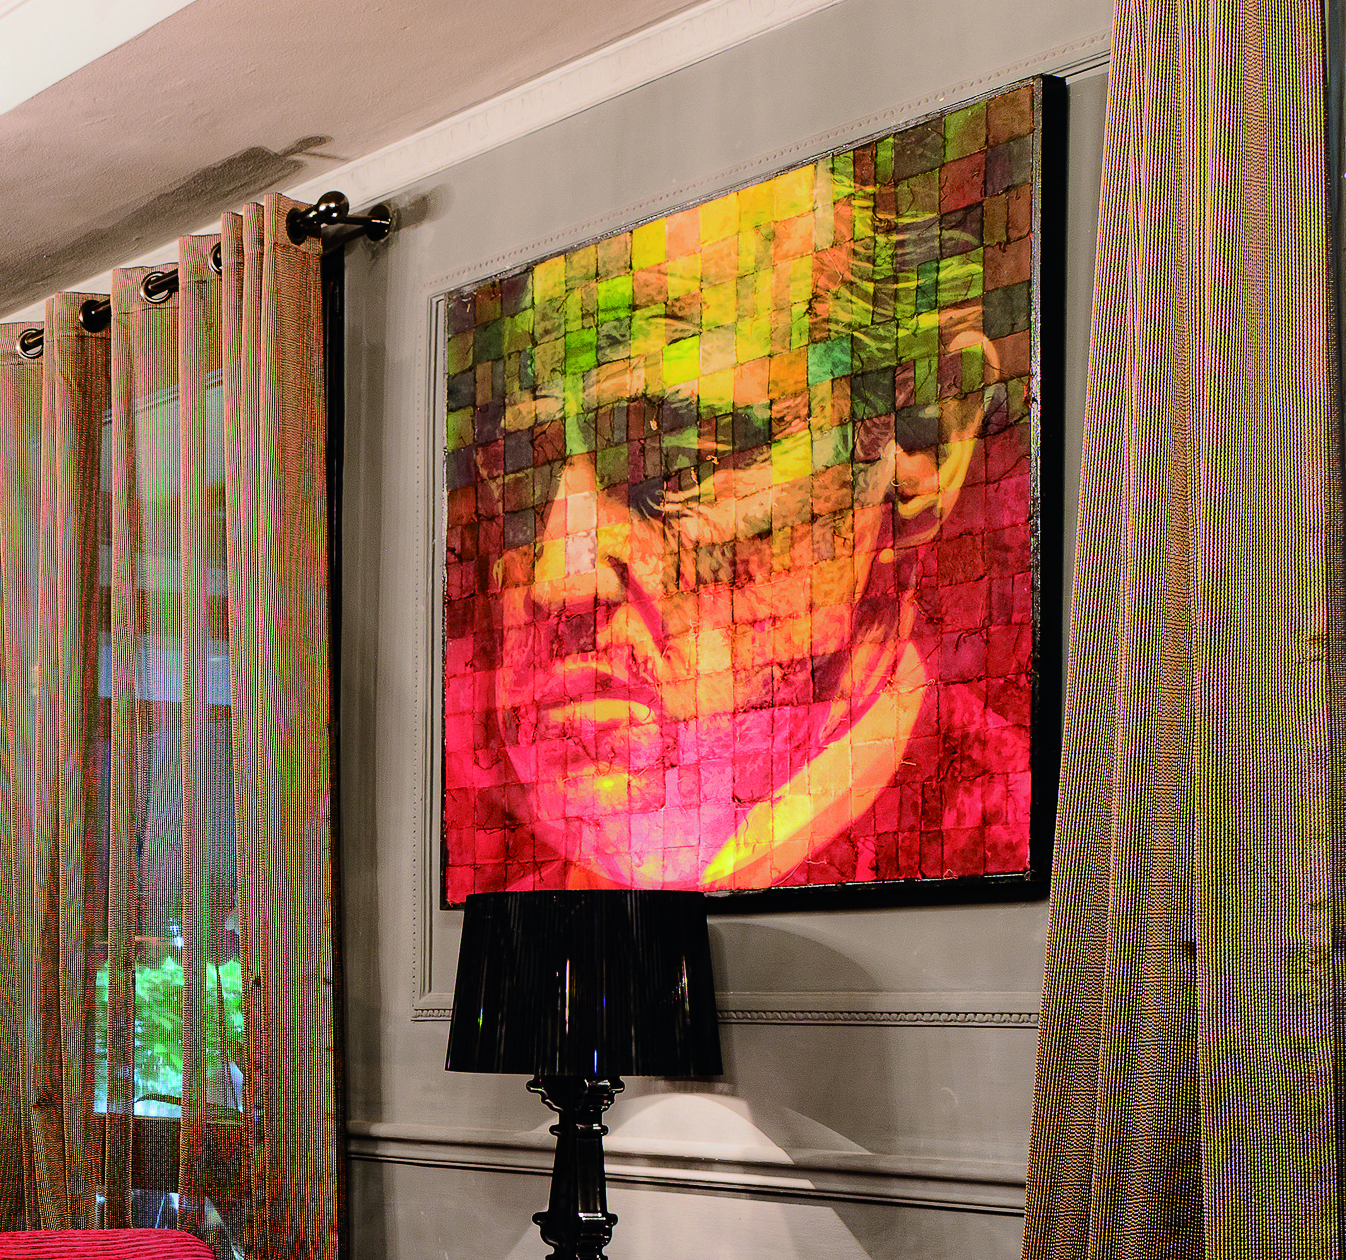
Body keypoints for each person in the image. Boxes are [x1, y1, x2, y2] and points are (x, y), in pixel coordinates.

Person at [443, 87, 1040, 895]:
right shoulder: (509, 902)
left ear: (924, 437)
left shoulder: (1068, 858)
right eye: (517, 473)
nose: (558, 579)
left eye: (677, 462)